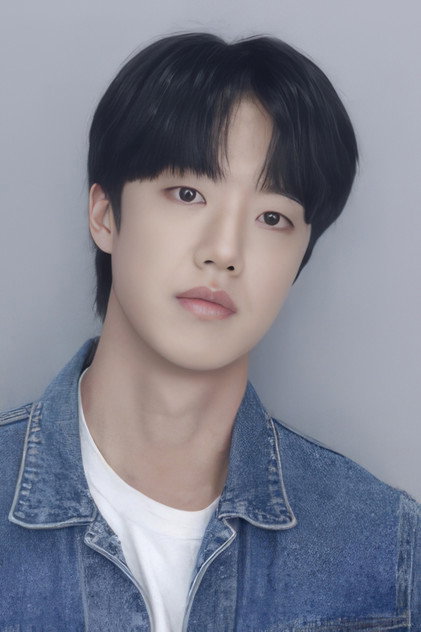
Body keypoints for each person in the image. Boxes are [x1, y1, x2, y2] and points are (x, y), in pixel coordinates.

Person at [0, 32, 419, 631]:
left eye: (272, 217)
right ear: (105, 214)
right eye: (188, 193)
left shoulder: (383, 545)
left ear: (299, 259)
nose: (224, 251)